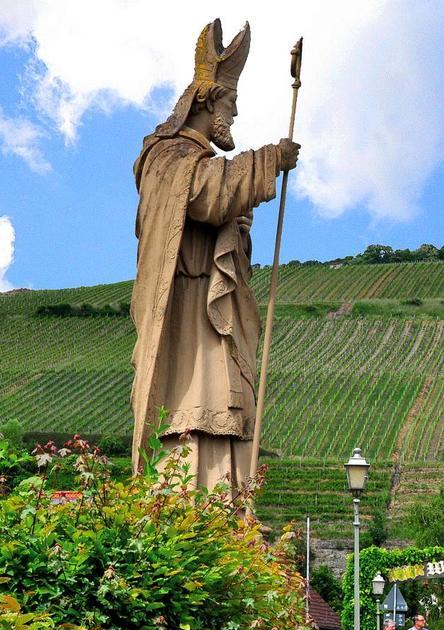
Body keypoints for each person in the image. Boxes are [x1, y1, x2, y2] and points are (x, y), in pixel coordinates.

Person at [131, 18, 300, 490]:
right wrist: (268, 160)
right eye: (231, 103)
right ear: (207, 101)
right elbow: (208, 194)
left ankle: (223, 502)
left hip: (208, 303)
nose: (236, 115)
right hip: (187, 309)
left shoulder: (188, 158)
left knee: (224, 402)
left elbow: (217, 204)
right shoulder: (169, 157)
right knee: (196, 404)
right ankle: (193, 497)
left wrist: (238, 223)